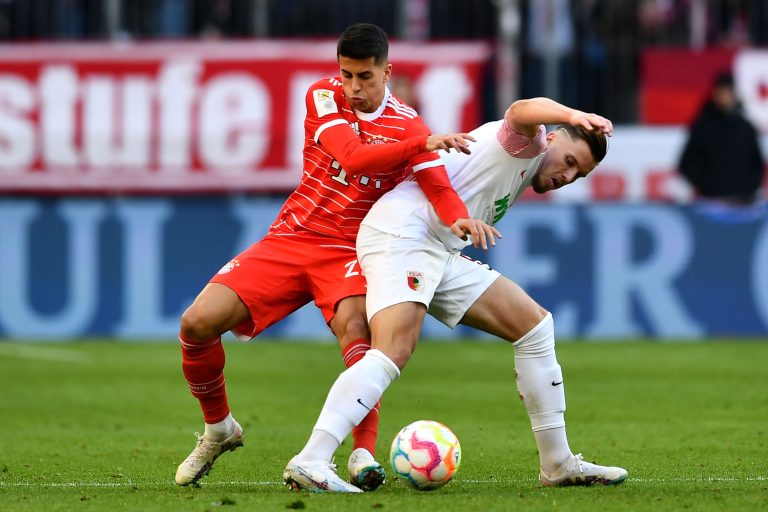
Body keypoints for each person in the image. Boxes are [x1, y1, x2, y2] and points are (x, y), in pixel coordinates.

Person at [174, 23, 482, 491]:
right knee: (197, 323)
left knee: (360, 333)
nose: (354, 87)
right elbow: (353, 157)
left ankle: (362, 453)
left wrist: (459, 219)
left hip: (350, 250)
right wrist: (422, 144)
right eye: (347, 75)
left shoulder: (408, 125)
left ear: (387, 72)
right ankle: (219, 429)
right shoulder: (324, 95)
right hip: (292, 237)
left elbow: (438, 188)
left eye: (365, 77)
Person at [284, 97, 629, 492]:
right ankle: (312, 459)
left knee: (534, 327)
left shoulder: (529, 163)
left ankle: (558, 464)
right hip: (404, 235)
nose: (568, 176)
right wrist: (573, 114)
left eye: (579, 174)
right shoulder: (528, 143)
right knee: (394, 348)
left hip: (438, 248)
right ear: (551, 139)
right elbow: (519, 111)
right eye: (569, 161)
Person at [679, 72, 765, 205]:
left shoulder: (746, 128)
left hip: (743, 203)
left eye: (729, 92)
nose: (726, 97)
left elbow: (757, 164)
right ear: (715, 94)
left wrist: (749, 187)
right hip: (711, 203)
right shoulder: (702, 127)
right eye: (722, 92)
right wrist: (707, 185)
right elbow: (686, 164)